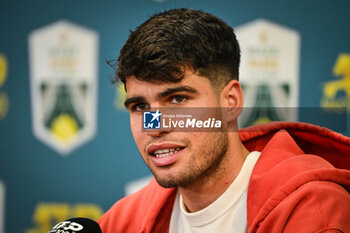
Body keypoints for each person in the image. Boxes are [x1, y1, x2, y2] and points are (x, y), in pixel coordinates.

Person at [98, 8, 350, 233]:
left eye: (177, 99)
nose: (155, 125)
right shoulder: (123, 221)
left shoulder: (313, 209)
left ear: (230, 102)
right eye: (140, 106)